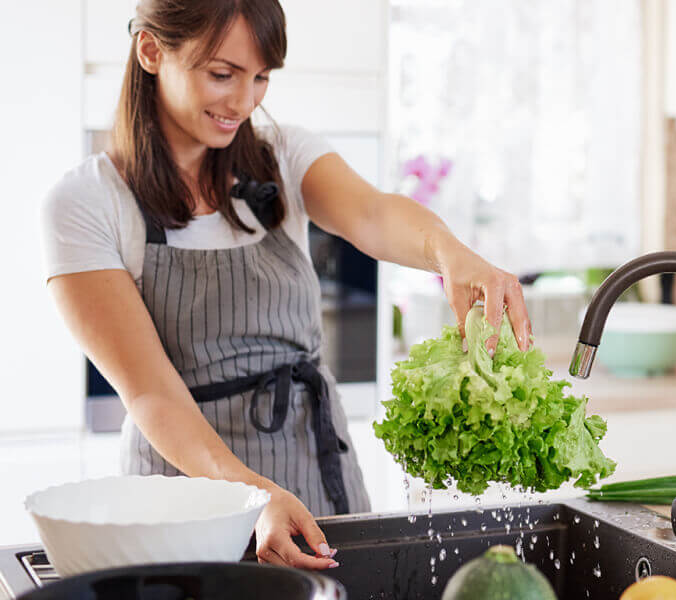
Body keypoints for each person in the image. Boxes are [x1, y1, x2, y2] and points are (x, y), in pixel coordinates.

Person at [41, 0, 532, 571]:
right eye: (222, 74)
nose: (245, 102)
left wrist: (448, 252)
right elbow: (152, 393)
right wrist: (254, 494)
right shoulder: (85, 203)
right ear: (151, 51)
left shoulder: (283, 156)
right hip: (189, 498)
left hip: (315, 475)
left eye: (261, 78)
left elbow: (373, 214)